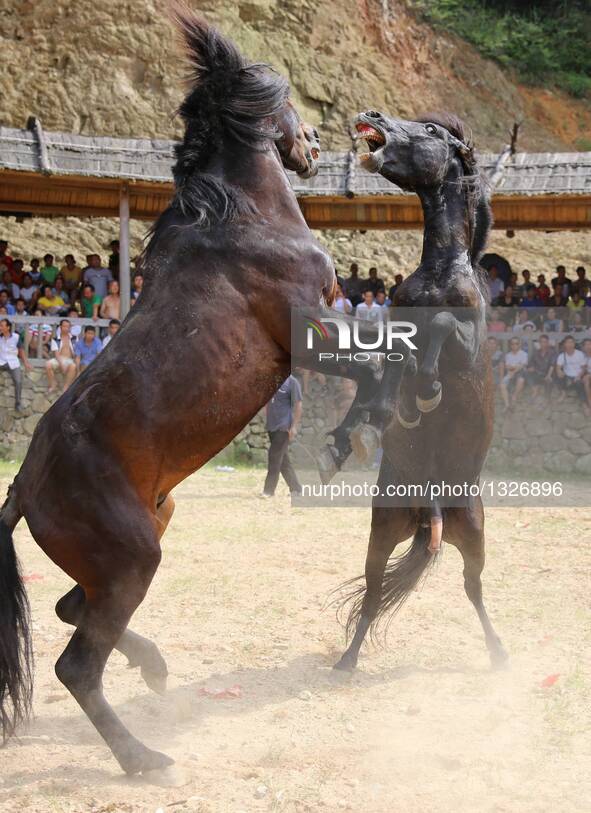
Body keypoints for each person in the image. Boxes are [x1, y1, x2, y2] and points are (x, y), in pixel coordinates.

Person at [262, 374, 302, 497]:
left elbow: (298, 405)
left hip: (284, 426)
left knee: (274, 456)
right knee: (283, 460)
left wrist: (294, 426)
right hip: (272, 425)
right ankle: (296, 489)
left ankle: (268, 490)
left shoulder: (292, 382)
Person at [0, 317, 32, 410]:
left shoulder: (16, 337)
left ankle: (18, 404)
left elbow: (21, 351)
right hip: (1, 361)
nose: (0, 328)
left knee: (18, 381)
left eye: (2, 326)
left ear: (8, 327)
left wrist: (26, 362)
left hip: (13, 362)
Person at [555, 335, 587, 410]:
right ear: (565, 344)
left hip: (578, 376)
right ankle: (563, 393)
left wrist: (579, 376)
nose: (570, 344)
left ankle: (584, 404)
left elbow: (584, 368)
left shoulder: (580, 354)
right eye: (568, 342)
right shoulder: (562, 356)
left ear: (574, 344)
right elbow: (558, 367)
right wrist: (559, 371)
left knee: (579, 384)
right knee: (558, 376)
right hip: (567, 377)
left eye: (571, 342)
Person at [46, 319, 77, 393]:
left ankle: (66, 387)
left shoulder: (74, 338)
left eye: (68, 326)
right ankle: (53, 384)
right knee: (48, 364)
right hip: (59, 359)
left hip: (70, 359)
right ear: (60, 327)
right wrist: (61, 364)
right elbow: (56, 354)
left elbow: (76, 351)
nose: (66, 328)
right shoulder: (55, 339)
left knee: (73, 366)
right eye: (64, 326)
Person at [500, 336, 527, 411]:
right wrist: (514, 368)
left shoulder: (523, 354)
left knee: (521, 380)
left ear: (519, 345)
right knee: (502, 384)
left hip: (519, 373)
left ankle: (514, 396)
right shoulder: (508, 355)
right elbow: (507, 366)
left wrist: (513, 370)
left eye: (516, 343)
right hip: (510, 372)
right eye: (512, 344)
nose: (514, 345)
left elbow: (522, 366)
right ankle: (507, 405)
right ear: (510, 345)